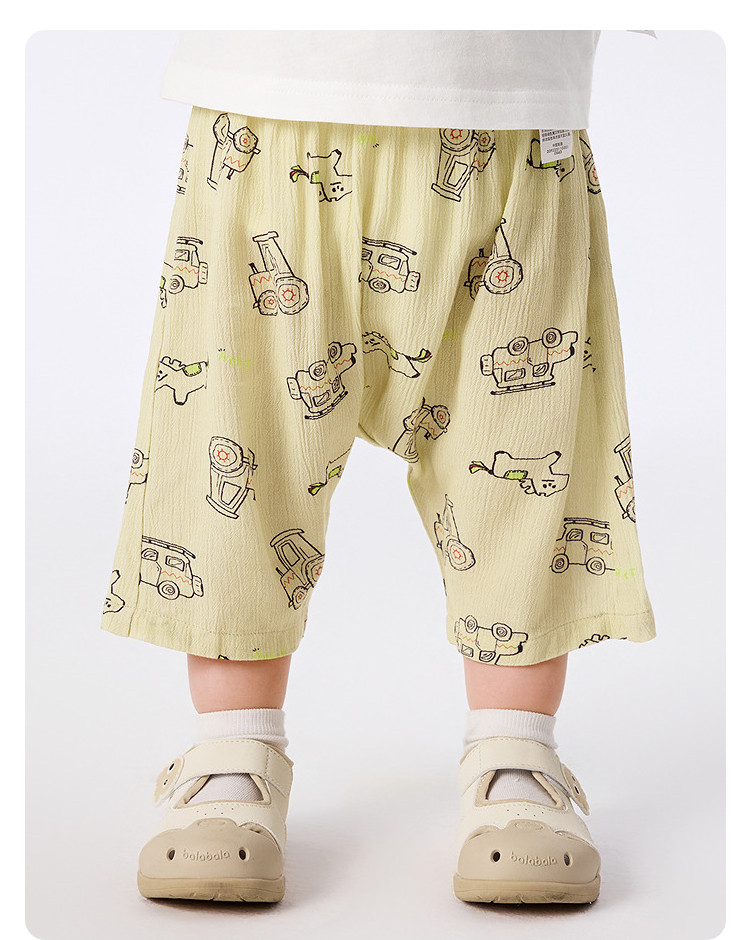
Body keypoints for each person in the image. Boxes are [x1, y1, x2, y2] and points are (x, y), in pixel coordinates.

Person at [100, 29, 658, 905]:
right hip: (268, 111)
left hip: (510, 121)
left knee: (527, 458)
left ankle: (514, 751)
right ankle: (233, 750)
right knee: (237, 450)